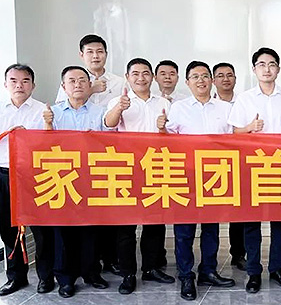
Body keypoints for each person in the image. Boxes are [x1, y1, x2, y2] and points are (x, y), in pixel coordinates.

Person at [228, 48, 281, 294]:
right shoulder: (245, 99)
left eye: (271, 64)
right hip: (253, 167)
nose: (267, 69)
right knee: (251, 223)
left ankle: (277, 268)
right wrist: (250, 127)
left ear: (278, 69)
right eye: (261, 64)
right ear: (254, 69)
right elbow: (234, 132)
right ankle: (254, 272)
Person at [164, 61, 236, 301]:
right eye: (195, 77)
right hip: (185, 176)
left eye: (205, 76)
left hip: (214, 175)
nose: (201, 80)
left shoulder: (225, 108)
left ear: (212, 80)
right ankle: (186, 275)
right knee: (184, 230)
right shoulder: (178, 108)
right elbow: (167, 142)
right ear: (187, 82)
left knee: (211, 229)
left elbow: (235, 141)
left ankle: (208, 271)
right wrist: (161, 129)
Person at [103, 58, 174, 294]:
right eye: (135, 74)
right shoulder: (118, 101)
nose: (141, 78)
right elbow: (108, 126)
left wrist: (163, 128)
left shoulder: (163, 103)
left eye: (145, 73)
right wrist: (119, 108)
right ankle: (128, 274)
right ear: (127, 77)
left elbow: (173, 138)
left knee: (155, 224)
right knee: (126, 227)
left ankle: (151, 268)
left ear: (152, 77)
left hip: (156, 168)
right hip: (127, 170)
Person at [45, 66, 110, 298]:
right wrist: (48, 126)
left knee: (91, 229)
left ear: (89, 84)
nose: (78, 84)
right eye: (72, 81)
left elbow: (111, 144)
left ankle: (92, 273)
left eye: (82, 80)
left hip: (90, 178)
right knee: (63, 232)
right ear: (64, 87)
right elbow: (43, 146)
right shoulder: (52, 113)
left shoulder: (99, 112)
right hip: (61, 179)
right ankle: (65, 278)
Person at [0, 65, 45, 296]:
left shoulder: (43, 110)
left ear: (33, 85)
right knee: (7, 228)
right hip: (3, 174)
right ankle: (16, 277)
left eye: (25, 81)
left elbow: (50, 144)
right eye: (14, 80)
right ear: (5, 84)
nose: (19, 85)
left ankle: (46, 276)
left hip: (33, 175)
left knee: (41, 228)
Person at [211, 62, 245, 270]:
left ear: (235, 79)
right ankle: (209, 260)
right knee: (211, 213)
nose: (226, 79)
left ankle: (238, 254)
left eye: (229, 75)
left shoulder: (244, 102)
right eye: (220, 75)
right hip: (213, 164)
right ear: (213, 80)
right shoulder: (207, 103)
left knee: (238, 212)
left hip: (239, 162)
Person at [55, 34, 124, 107]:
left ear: (106, 54)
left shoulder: (120, 83)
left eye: (100, 51)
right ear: (82, 55)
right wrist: (91, 90)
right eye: (90, 52)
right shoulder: (70, 81)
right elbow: (61, 108)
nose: (95, 56)